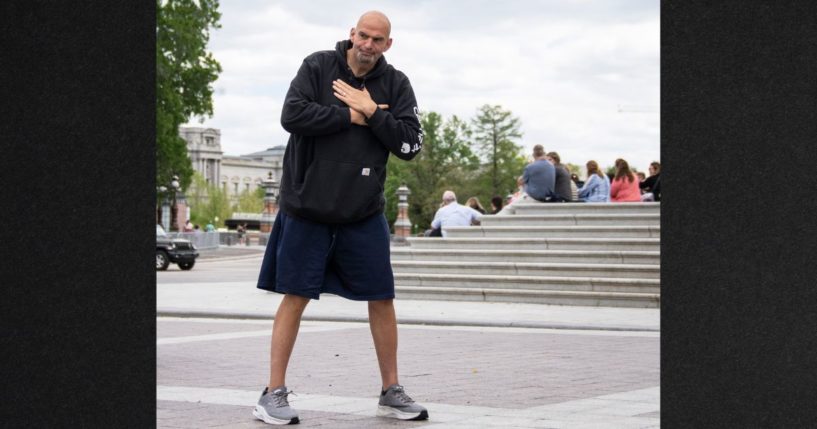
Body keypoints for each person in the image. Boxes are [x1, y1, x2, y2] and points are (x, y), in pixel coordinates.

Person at [254, 11, 428, 425]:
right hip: (307, 207)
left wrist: (373, 111)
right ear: (351, 35)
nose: (368, 44)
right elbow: (291, 116)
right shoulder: (317, 66)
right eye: (362, 36)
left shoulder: (397, 84)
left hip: (362, 211)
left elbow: (410, 144)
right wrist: (347, 115)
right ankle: (271, 394)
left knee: (381, 299)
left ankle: (391, 391)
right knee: (294, 297)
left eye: (377, 39)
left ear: (388, 44)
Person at [498, 145, 556, 215]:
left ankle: (492, 222)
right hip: (548, 197)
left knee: (508, 208)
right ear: (544, 153)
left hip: (534, 197)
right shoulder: (551, 165)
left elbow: (521, 182)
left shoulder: (530, 167)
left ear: (534, 155)